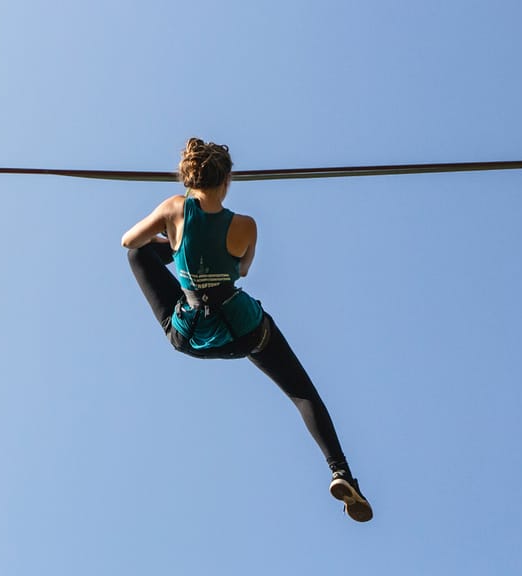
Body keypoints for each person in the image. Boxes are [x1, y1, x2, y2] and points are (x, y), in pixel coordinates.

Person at [122, 138, 372, 522]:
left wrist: (175, 243)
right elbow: (241, 270)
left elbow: (130, 241)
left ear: (190, 177)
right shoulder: (246, 226)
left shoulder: (173, 208)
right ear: (227, 181)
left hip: (191, 334)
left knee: (138, 255)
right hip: (244, 329)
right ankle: (341, 472)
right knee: (302, 392)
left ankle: (179, 255)